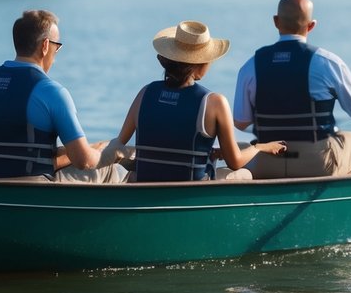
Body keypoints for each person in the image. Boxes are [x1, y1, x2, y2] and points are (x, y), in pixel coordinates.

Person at [0, 9, 124, 182]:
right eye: (57, 46)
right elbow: (84, 161)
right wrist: (109, 153)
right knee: (111, 170)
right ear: (45, 46)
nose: (56, 54)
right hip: (34, 191)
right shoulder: (52, 92)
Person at [111, 20, 286, 182]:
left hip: (147, 186)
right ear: (200, 63)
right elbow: (235, 161)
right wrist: (260, 147)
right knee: (244, 173)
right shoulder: (215, 102)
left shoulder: (145, 93)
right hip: (189, 191)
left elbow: (119, 143)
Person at [232, 0, 351, 178]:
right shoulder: (328, 62)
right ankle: (338, 193)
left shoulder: (250, 65)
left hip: (266, 162)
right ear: (311, 26)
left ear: (276, 21)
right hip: (316, 163)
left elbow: (240, 122)